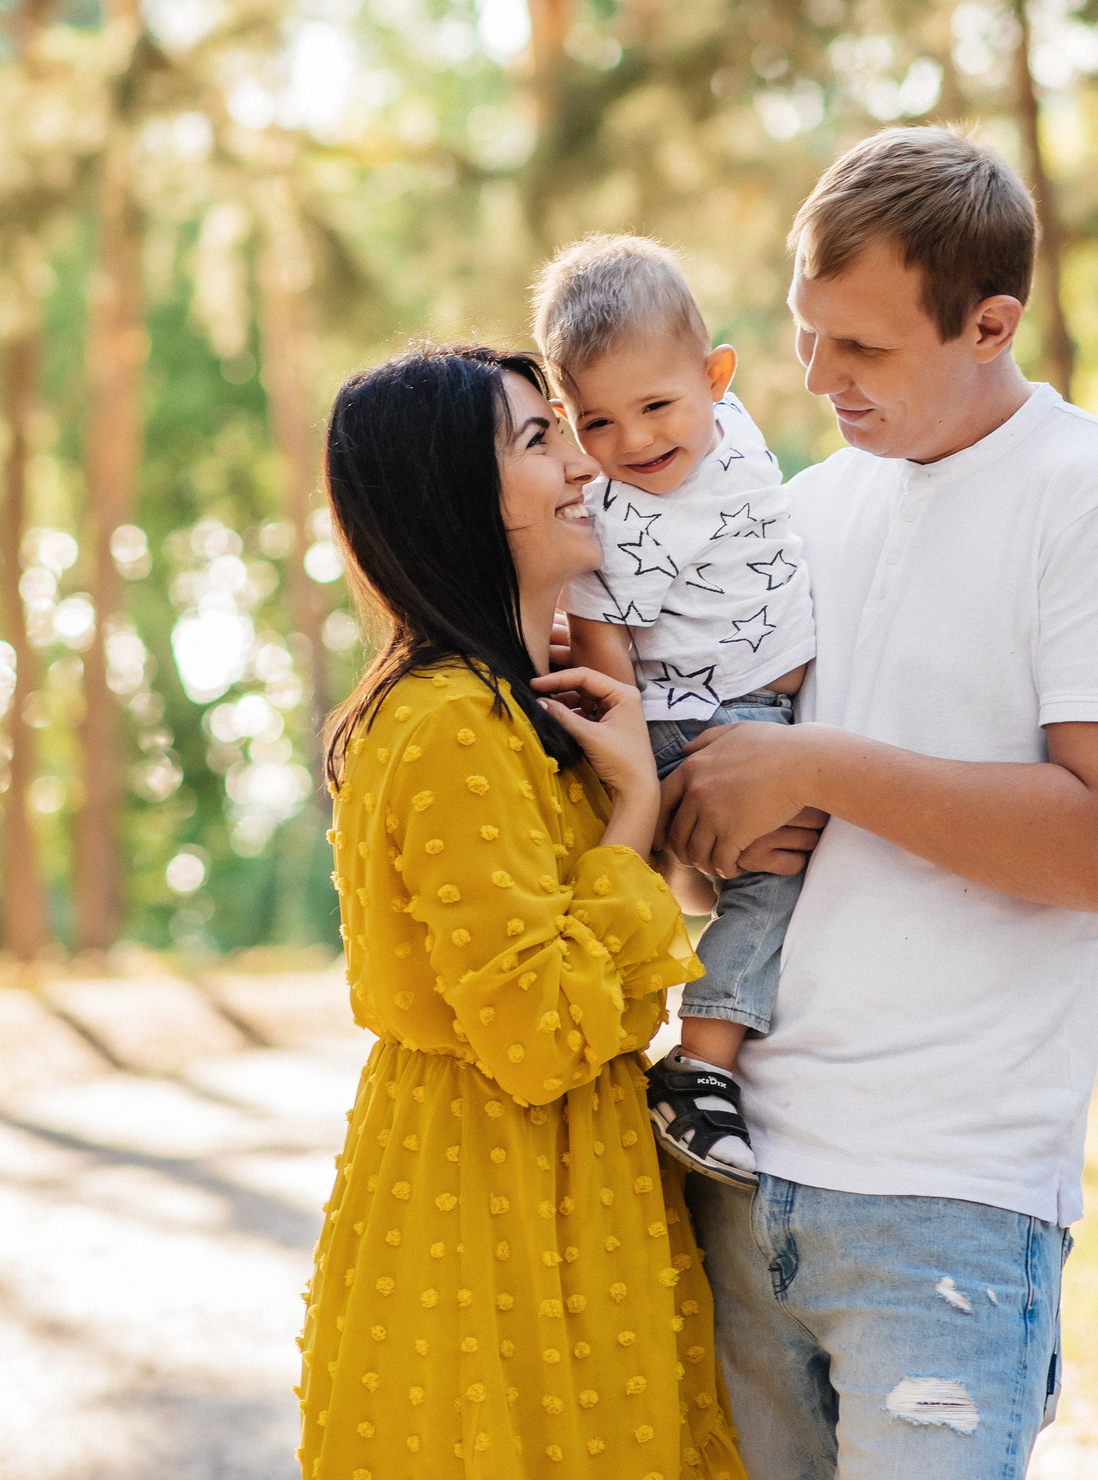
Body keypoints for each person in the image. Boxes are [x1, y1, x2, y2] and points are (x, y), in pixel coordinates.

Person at [665, 126, 1098, 1479]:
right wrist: (700, 811)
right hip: (737, 1180)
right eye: (806, 333)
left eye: (864, 349)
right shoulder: (800, 512)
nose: (819, 377)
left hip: (948, 1200)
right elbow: (724, 854)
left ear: (990, 324)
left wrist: (820, 765)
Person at [296, 341, 748, 1480]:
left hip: (560, 1193)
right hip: (485, 1221)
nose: (585, 459)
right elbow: (541, 1028)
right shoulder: (449, 720)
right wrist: (636, 798)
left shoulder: (517, 705)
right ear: (456, 493)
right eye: (539, 438)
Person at [533, 234, 815, 1189]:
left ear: (718, 375)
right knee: (772, 875)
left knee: (748, 872)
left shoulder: (729, 429)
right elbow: (604, 638)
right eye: (597, 422)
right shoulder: (619, 512)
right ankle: (700, 1066)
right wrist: (641, 771)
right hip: (688, 714)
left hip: (751, 701)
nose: (635, 443)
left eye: (656, 406)